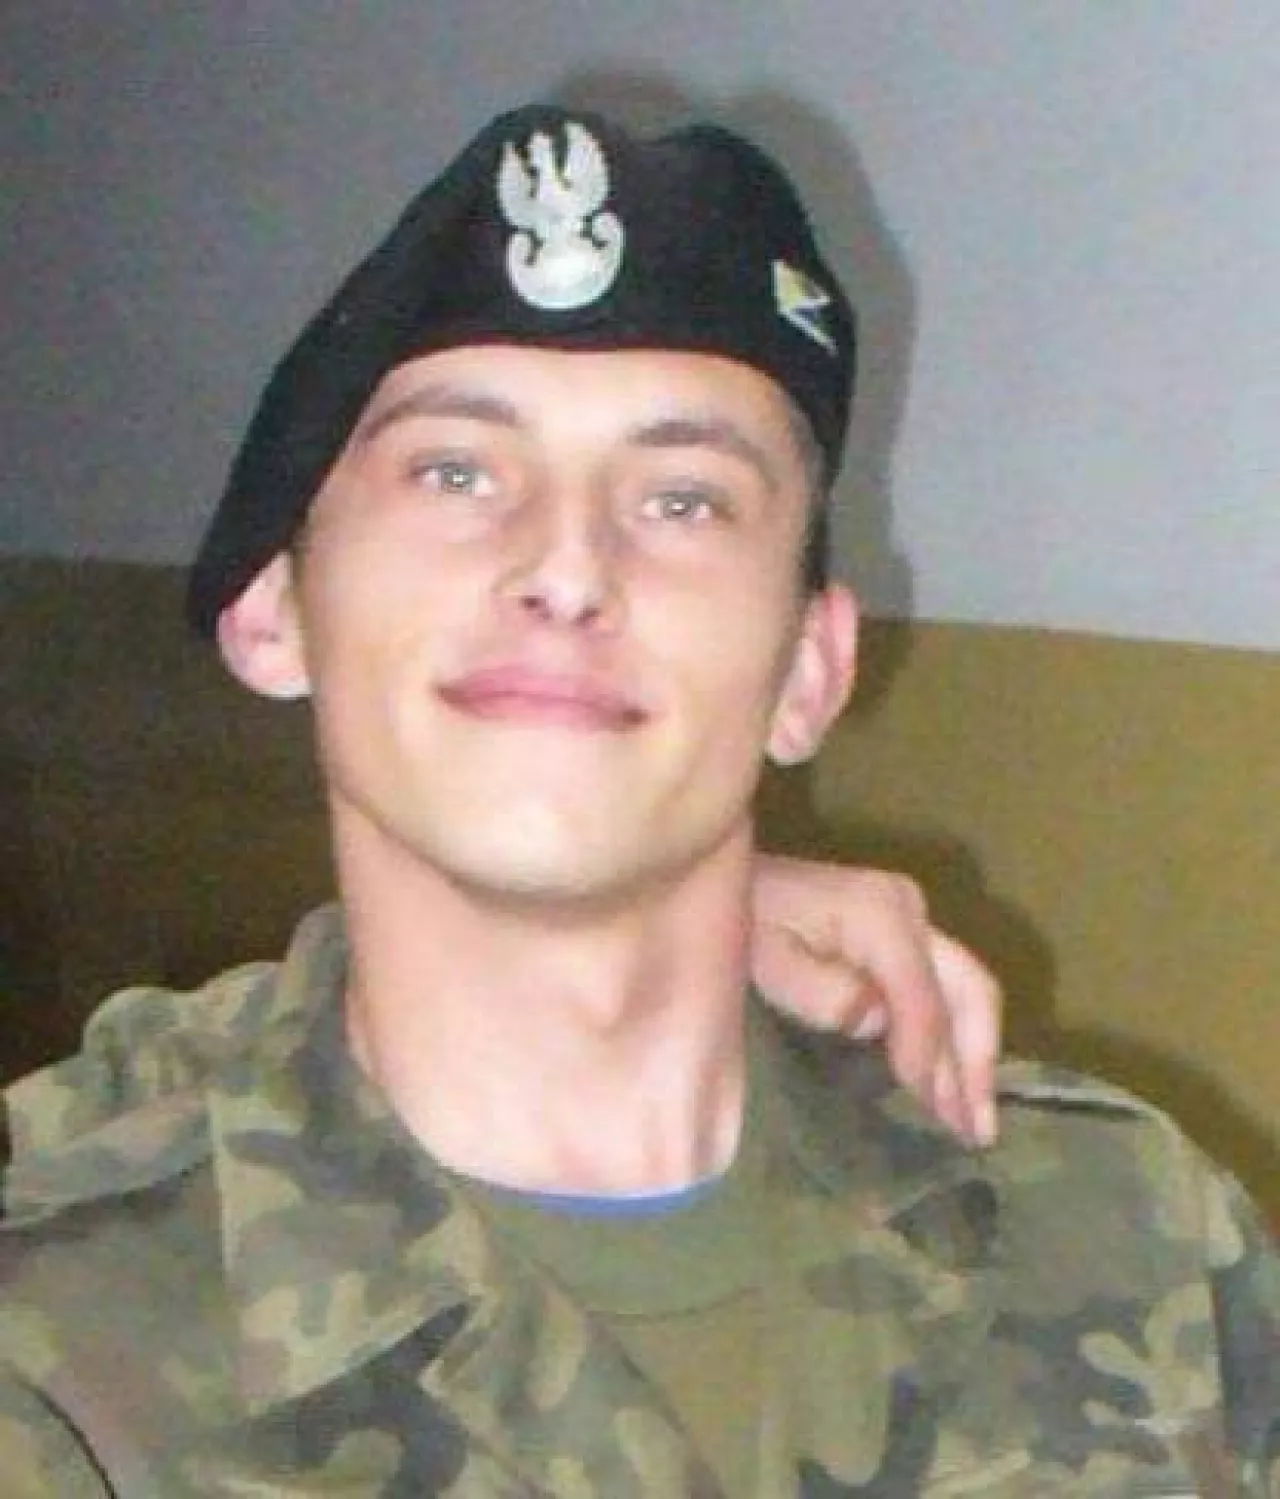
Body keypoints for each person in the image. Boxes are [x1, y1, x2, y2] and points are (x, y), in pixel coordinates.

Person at [0, 102, 1274, 1496]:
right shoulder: (65, 1333)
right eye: (455, 470)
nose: (566, 568)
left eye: (683, 499)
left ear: (810, 668)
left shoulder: (1134, 1238)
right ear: (273, 610)